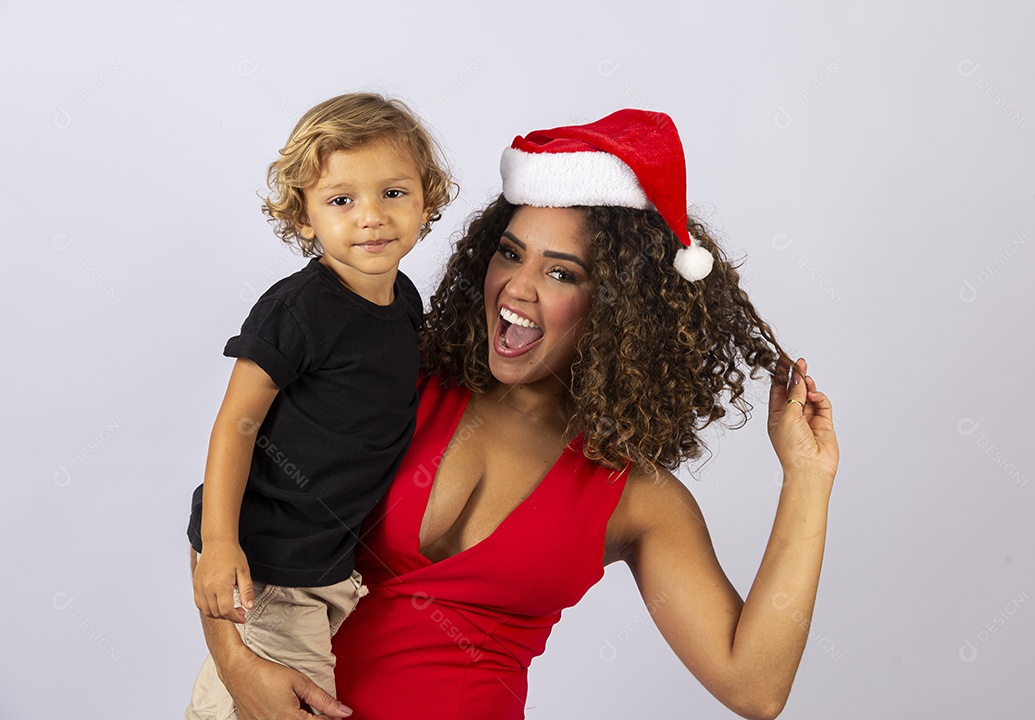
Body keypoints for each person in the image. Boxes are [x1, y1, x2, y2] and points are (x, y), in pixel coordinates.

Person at [195, 108, 839, 720]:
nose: (517, 287)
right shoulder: (394, 376)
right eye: (510, 252)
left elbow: (755, 688)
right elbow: (238, 509)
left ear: (621, 307)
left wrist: (808, 480)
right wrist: (236, 664)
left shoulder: (637, 498)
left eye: (561, 273)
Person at [184, 92, 454, 718]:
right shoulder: (297, 309)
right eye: (341, 200)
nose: (371, 217)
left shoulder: (404, 301)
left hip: (329, 565)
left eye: (393, 193)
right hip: (272, 566)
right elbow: (237, 423)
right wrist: (221, 544)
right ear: (304, 219)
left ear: (427, 202)